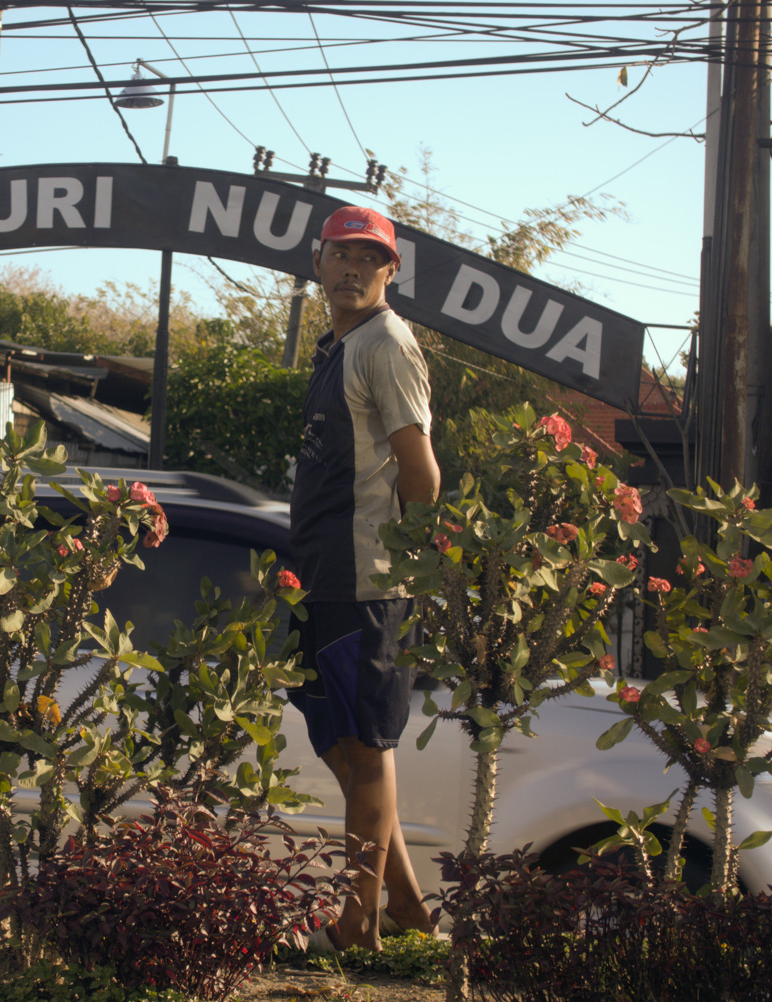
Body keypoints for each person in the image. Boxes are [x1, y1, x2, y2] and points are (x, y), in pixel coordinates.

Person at [289, 204, 440, 951]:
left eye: (368, 258)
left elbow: (421, 471)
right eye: (339, 254)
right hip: (323, 578)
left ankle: (356, 926)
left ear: (390, 271)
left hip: (365, 580)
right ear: (316, 263)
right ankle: (409, 909)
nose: (351, 268)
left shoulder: (386, 344)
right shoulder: (339, 347)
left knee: (367, 745)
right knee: (343, 748)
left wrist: (402, 567)